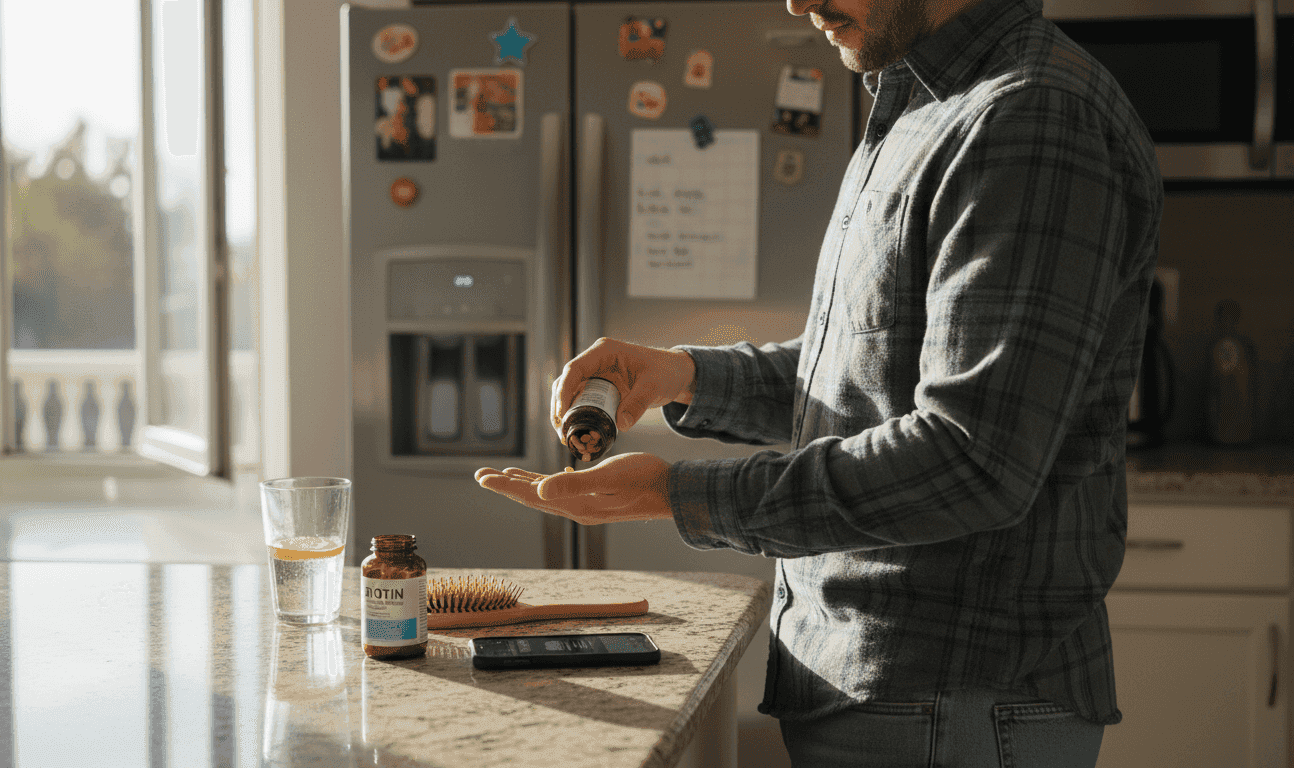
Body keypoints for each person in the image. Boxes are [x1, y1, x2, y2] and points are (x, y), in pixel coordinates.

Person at [476, 0, 1164, 764]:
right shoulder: (921, 106)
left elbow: (973, 461)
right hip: (893, 690)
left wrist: (673, 496)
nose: (797, 2)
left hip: (956, 697)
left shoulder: (1032, 118)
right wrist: (685, 377)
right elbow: (868, 371)